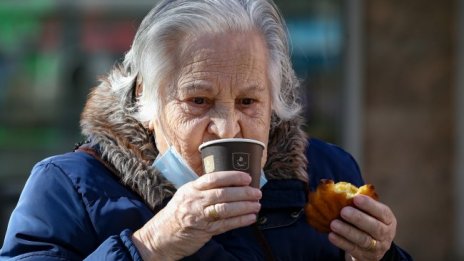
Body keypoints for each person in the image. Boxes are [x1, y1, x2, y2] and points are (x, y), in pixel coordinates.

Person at [0, 0, 412, 260]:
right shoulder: (68, 187)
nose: (227, 126)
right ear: (147, 98)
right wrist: (149, 246)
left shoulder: (327, 170)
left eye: (249, 102)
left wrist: (379, 255)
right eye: (198, 101)